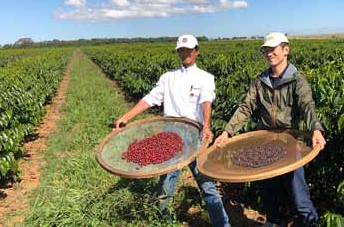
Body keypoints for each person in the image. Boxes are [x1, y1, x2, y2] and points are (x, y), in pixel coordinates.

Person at [115, 34, 230, 227]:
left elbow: (206, 101)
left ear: (196, 51)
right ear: (178, 52)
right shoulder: (168, 78)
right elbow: (150, 98)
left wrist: (207, 126)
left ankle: (222, 224)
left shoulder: (205, 78)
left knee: (207, 184)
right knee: (166, 184)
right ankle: (164, 222)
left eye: (189, 50)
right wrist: (127, 116)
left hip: (196, 134)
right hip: (170, 135)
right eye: (181, 50)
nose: (185, 53)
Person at [214, 32, 326, 227]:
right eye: (266, 50)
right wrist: (227, 132)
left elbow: (307, 105)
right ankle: (274, 222)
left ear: (286, 50)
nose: (269, 53)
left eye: (272, 49)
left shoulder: (297, 80)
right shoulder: (260, 81)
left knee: (299, 199)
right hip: (265, 144)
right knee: (269, 197)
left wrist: (315, 128)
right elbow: (245, 107)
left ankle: (310, 223)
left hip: (291, 145)